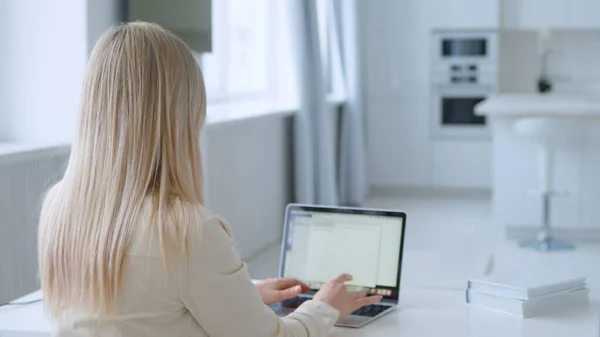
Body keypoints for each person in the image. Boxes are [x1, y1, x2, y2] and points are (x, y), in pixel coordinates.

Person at [37, 22, 382, 336]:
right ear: (181, 120)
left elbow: (139, 314)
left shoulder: (58, 209)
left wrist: (239, 299)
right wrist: (324, 307)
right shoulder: (186, 230)